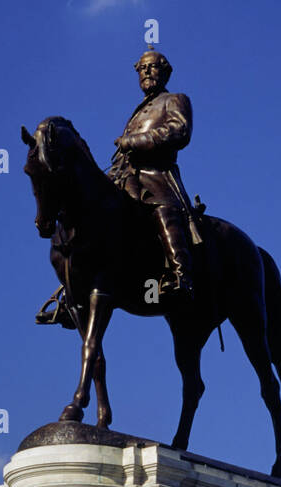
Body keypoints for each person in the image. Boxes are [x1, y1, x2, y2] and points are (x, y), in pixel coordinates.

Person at [36, 49, 198, 328]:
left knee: (163, 214)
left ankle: (181, 276)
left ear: (166, 71)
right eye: (141, 69)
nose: (146, 73)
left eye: (152, 67)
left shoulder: (175, 100)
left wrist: (135, 141)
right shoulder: (138, 110)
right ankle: (75, 288)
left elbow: (179, 132)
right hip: (125, 179)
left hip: (156, 178)